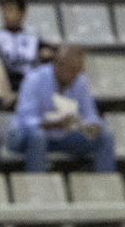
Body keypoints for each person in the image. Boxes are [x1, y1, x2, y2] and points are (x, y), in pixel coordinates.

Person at [9, 45, 115, 174]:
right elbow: (26, 121)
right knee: (37, 137)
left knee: (104, 137)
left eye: (78, 71)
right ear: (58, 65)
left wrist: (90, 126)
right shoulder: (34, 79)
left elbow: (90, 115)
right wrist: (54, 124)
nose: (74, 76)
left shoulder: (79, 81)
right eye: (71, 71)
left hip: (64, 136)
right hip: (24, 136)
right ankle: (38, 186)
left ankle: (106, 185)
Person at [0, 0, 48, 93]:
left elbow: (47, 53)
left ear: (22, 13)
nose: (6, 15)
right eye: (4, 11)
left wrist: (46, 54)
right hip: (6, 83)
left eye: (10, 11)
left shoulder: (33, 37)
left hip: (31, 81)